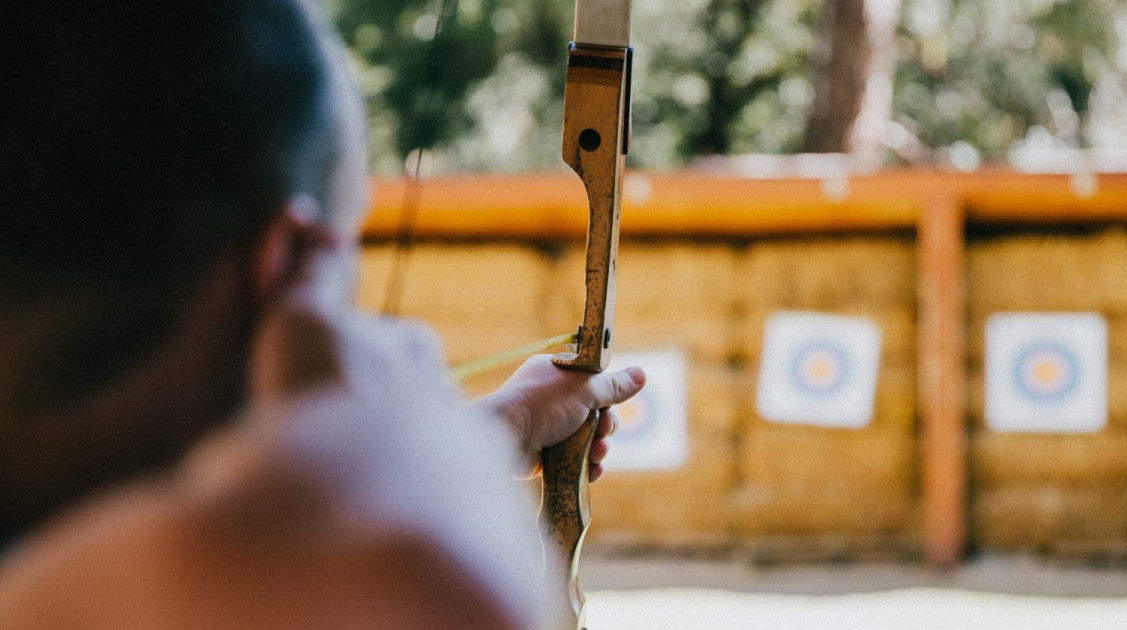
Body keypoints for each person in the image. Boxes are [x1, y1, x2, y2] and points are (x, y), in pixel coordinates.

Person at [0, 1, 645, 628]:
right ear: (293, 265)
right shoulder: (374, 582)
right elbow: (426, 586)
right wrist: (387, 441)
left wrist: (497, 425)